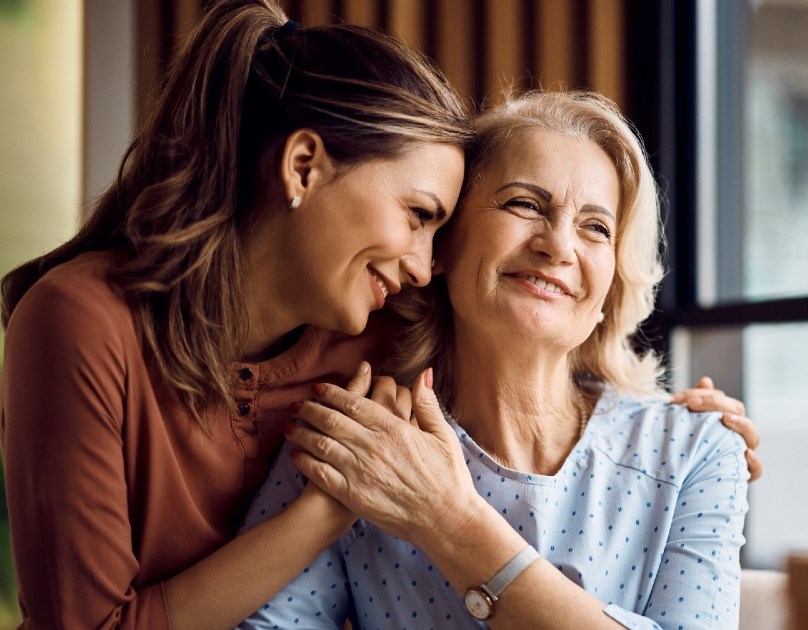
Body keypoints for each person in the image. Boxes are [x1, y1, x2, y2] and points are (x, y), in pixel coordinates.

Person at [0, 2, 756, 628]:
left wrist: (694, 430)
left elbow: (534, 334)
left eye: (596, 226)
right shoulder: (88, 323)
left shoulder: (375, 334)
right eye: (422, 216)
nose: (423, 266)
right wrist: (327, 512)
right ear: (303, 168)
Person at [239, 91, 750, 629]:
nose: (559, 246)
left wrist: (450, 520)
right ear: (443, 246)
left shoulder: (698, 451)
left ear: (611, 289)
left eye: (596, 228)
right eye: (524, 204)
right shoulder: (359, 438)